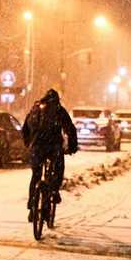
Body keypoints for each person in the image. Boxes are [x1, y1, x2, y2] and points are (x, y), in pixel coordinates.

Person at [21, 89, 78, 222]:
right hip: (53, 147)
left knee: (35, 175)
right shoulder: (58, 110)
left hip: (36, 147)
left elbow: (25, 129)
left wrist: (29, 144)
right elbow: (70, 129)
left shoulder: (35, 109)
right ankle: (54, 191)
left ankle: (31, 206)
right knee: (58, 169)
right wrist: (72, 147)